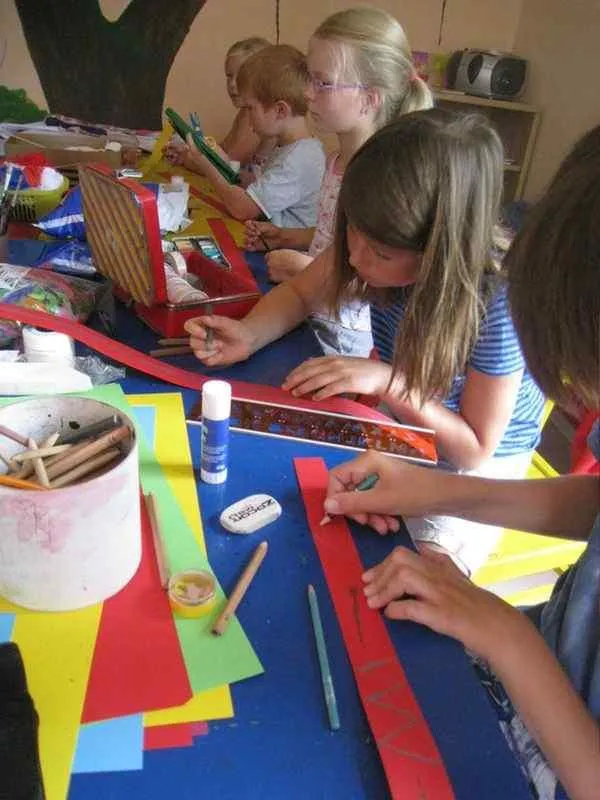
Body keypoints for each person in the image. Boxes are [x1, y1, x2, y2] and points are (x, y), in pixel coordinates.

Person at [322, 124, 600, 800]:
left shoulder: (489, 305)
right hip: (550, 670)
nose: (571, 400)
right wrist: (429, 492)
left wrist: (500, 630)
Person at [186, 109, 545, 575]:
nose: (355, 255)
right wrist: (249, 335)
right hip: (410, 413)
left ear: (439, 251)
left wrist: (386, 382)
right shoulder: (374, 236)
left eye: (379, 252)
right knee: (319, 495)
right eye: (351, 230)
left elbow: (475, 448)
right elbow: (299, 291)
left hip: (480, 463)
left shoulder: (496, 303)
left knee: (423, 570)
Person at [246, 6, 433, 357]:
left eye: (322, 82)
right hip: (310, 312)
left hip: (345, 342)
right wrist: (290, 238)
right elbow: (332, 242)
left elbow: (381, 278)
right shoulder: (335, 162)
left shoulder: (385, 180)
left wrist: (305, 271)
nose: (309, 93)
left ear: (370, 98)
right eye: (309, 78)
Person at [166, 44, 325, 229]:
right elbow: (260, 186)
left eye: (251, 108)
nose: (248, 115)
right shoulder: (289, 148)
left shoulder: (300, 159)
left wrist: (206, 164)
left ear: (280, 110)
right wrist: (221, 161)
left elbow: (242, 209)